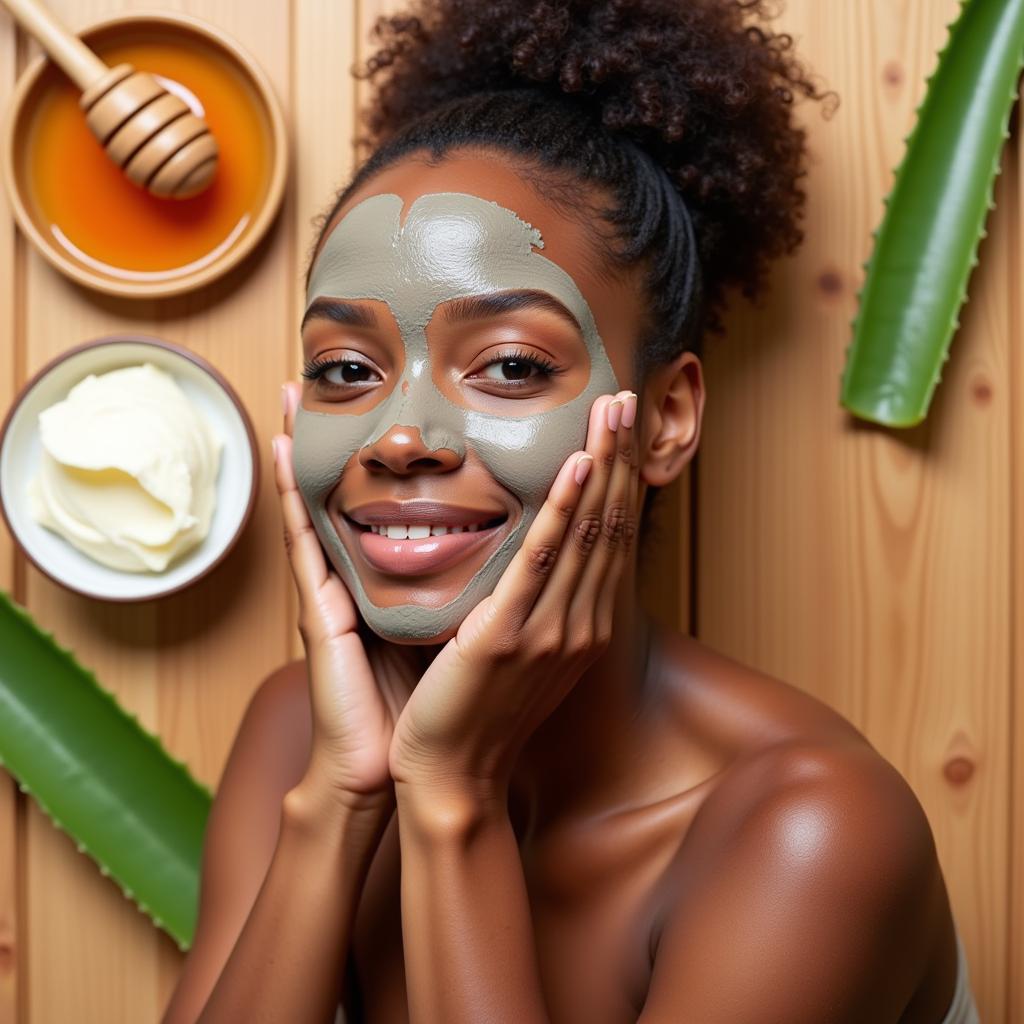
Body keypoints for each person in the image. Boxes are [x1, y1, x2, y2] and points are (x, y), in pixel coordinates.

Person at [162, 1, 980, 1021]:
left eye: (508, 364)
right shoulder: (306, 731)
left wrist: (452, 796)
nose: (399, 436)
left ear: (665, 420)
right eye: (345, 368)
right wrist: (340, 801)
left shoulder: (813, 830)